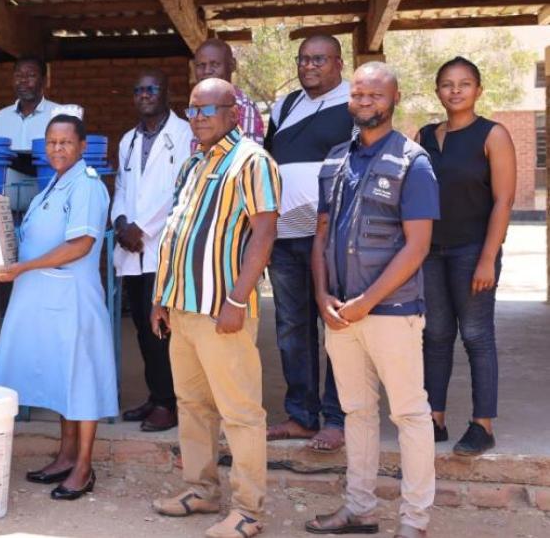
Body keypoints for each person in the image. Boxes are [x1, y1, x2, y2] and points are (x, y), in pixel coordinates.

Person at [305, 62, 438, 538]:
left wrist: (366, 301)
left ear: (394, 99)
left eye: (374, 95)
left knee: (409, 414)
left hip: (392, 312)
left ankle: (414, 522)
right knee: (356, 413)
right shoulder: (335, 159)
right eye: (358, 94)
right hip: (340, 313)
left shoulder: (413, 163)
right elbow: (320, 237)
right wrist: (323, 295)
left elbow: (417, 247)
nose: (365, 102)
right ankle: (360, 509)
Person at [152, 78, 279, 538]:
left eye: (208, 109)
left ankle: (249, 510)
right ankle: (201, 489)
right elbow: (177, 231)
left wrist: (236, 299)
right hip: (183, 307)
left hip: (221, 309)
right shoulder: (192, 163)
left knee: (240, 411)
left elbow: (264, 236)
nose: (199, 117)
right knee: (192, 403)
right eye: (192, 109)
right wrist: (162, 297)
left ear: (232, 112)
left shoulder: (252, 161)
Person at [0, 112, 118, 501]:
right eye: (51, 142)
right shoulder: (54, 185)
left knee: (79, 381)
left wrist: (24, 266)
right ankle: (65, 457)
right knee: (63, 379)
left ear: (83, 147)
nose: (57, 149)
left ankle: (83, 468)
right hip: (49, 298)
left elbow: (80, 244)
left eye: (65, 142)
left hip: (73, 299)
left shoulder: (87, 186)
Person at [417, 57, 515, 457]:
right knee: (435, 336)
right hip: (430, 253)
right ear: (437, 90)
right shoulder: (423, 135)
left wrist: (488, 257)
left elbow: (504, 199)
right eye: (447, 84)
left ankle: (482, 425)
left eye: (465, 83)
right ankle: (434, 420)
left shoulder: (493, 135)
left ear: (478, 89)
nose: (455, 90)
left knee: (476, 335)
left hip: (473, 250)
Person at [264, 35, 354, 453]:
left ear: (338, 62)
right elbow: (268, 163)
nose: (309, 66)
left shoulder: (356, 101)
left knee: (336, 324)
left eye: (318, 59)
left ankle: (337, 418)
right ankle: (301, 415)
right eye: (302, 59)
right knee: (291, 328)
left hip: (332, 233)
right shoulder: (284, 107)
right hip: (284, 233)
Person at [109, 70, 192, 433]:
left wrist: (143, 228)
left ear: (166, 92)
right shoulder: (127, 140)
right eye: (138, 89)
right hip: (132, 247)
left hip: (161, 244)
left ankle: (170, 402)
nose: (144, 95)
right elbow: (122, 188)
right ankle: (156, 395)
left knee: (163, 327)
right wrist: (121, 222)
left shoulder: (185, 134)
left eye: (151, 89)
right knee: (143, 327)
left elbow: (181, 189)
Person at [0, 57, 59, 211]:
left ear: (44, 81)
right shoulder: (0, 118)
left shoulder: (59, 116)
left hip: (49, 206)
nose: (23, 81)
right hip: (7, 209)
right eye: (19, 76)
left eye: (31, 75)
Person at [191, 39, 265, 146]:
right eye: (200, 65)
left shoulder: (244, 108)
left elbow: (249, 159)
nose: (207, 71)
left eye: (215, 64)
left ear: (232, 65)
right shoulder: (195, 108)